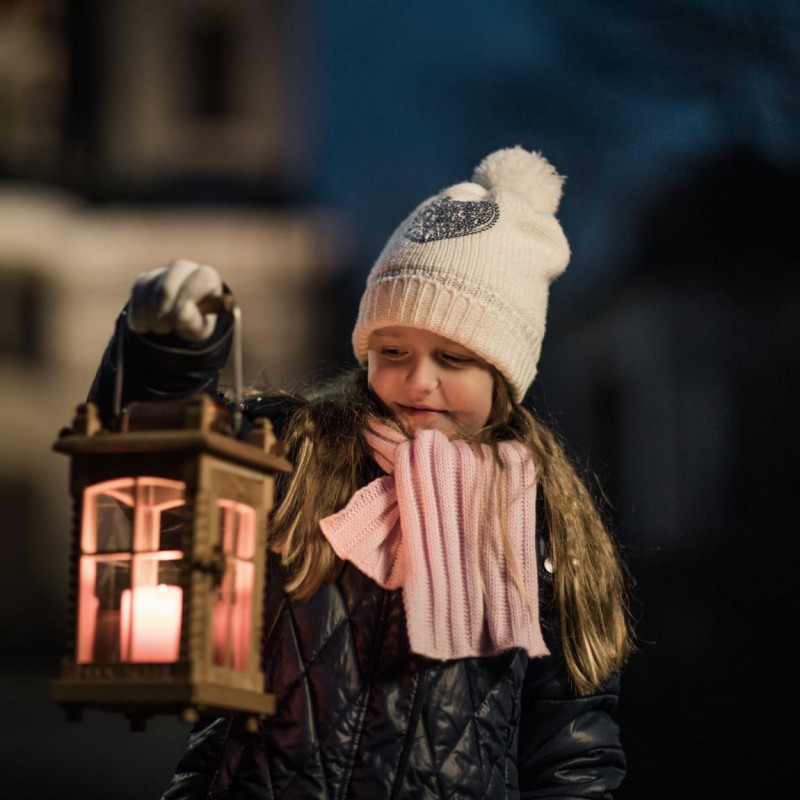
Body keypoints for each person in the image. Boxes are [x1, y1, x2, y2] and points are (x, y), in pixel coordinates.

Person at [87, 146, 634, 799]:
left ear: (505, 374)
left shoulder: (541, 522)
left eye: (454, 358)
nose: (417, 380)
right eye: (392, 350)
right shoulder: (298, 454)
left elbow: (572, 758)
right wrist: (163, 359)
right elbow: (152, 489)